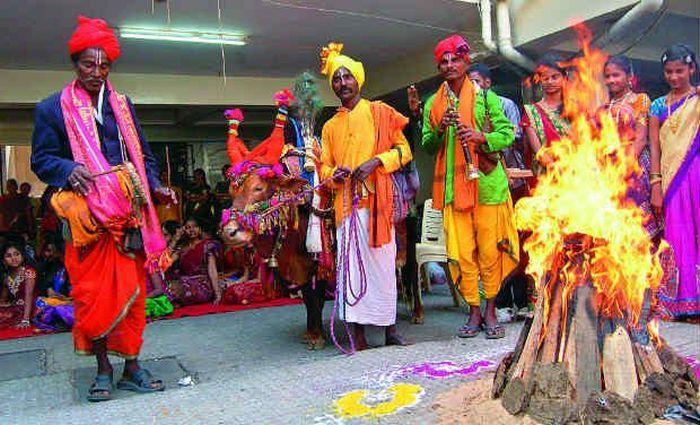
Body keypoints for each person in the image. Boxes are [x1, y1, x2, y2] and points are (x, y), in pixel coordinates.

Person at [30, 16, 170, 401]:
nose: (96, 72)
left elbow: (143, 154)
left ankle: (132, 368)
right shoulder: (51, 109)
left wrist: (156, 186)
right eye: (88, 64)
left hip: (129, 221)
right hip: (89, 224)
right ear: (75, 64)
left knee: (133, 296)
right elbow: (41, 160)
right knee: (93, 297)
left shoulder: (122, 106)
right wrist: (68, 168)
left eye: (103, 64)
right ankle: (103, 369)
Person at [421, 35, 517, 339]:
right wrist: (440, 128)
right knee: (463, 254)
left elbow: (507, 135)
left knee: (490, 253)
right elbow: (427, 144)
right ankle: (473, 311)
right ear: (439, 67)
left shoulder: (486, 98)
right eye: (444, 62)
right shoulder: (432, 105)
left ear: (465, 63)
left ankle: (490, 312)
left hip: (487, 187)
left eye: (455, 60)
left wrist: (479, 137)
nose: (449, 65)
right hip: (453, 189)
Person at [318, 42, 412, 349]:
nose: (342, 83)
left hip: (377, 205)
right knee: (351, 271)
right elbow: (323, 168)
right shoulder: (330, 126)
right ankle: (357, 335)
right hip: (345, 206)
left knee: (383, 267)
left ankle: (390, 330)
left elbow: (404, 151)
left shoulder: (380, 112)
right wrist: (334, 175)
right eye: (336, 78)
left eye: (347, 76)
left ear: (358, 79)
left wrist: (376, 162)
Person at [649, 44, 699, 320]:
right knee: (678, 239)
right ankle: (683, 304)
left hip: (698, 173)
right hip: (672, 180)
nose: (674, 76)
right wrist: (655, 185)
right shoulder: (658, 105)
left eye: (680, 70)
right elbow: (655, 149)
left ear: (692, 69)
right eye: (669, 72)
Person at [601, 55, 657, 235]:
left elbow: (641, 138)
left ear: (629, 75)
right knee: (619, 229)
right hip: (611, 168)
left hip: (636, 164)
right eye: (608, 76)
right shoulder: (604, 108)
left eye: (616, 75)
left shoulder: (641, 100)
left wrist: (623, 169)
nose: (611, 80)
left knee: (641, 224)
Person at [522, 53, 571, 175]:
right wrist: (555, 168)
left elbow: (584, 143)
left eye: (555, 77)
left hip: (577, 174)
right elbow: (539, 151)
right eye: (545, 78)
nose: (550, 82)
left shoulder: (576, 109)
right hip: (546, 178)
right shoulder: (531, 112)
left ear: (565, 77)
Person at [165, 217, 222, 306]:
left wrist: (217, 294)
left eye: (194, 227)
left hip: (202, 286)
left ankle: (177, 300)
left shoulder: (207, 245)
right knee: (167, 284)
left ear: (199, 229)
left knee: (177, 287)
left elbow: (212, 270)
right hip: (183, 282)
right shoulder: (182, 248)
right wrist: (175, 239)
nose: (191, 230)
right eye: (187, 228)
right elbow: (166, 263)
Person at [0, 242, 37, 329]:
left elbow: (29, 295)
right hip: (16, 308)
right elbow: (3, 299)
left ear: (22, 256)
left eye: (17, 254)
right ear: (3, 260)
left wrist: (25, 320)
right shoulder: (7, 277)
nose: (14, 258)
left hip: (32, 308)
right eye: (9, 256)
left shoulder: (29, 272)